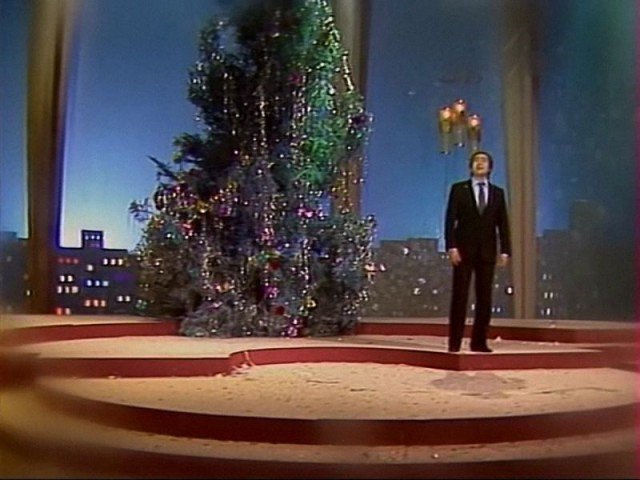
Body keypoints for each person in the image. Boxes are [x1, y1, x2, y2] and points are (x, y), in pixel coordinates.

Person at [444, 150, 511, 353]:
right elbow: (450, 220)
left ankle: (479, 342)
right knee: (460, 297)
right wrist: (451, 247)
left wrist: (505, 250)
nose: (480, 163)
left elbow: (503, 224)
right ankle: (454, 343)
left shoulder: (498, 193)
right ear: (471, 166)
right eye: (476, 160)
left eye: (484, 161)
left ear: (490, 167)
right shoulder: (459, 189)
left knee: (485, 298)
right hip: (463, 251)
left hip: (487, 252)